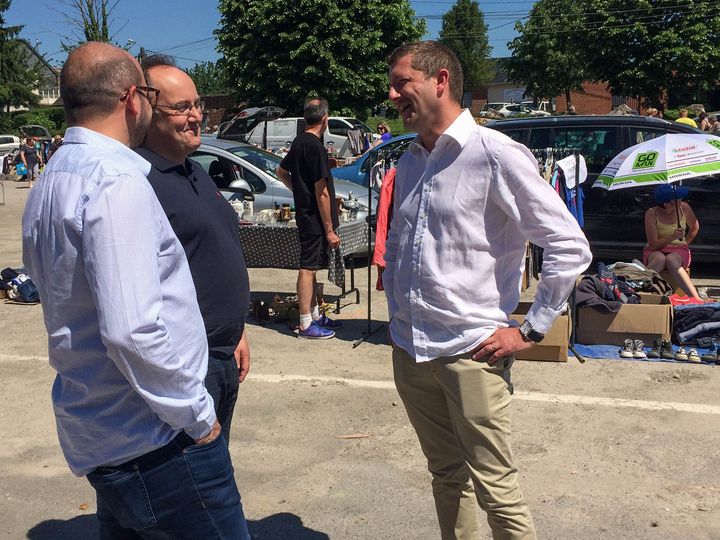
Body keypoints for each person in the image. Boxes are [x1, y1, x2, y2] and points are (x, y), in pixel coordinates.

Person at [21, 42, 250, 539]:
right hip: (157, 440)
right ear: (131, 97)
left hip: (104, 430)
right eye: (150, 94)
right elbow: (132, 330)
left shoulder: (52, 178)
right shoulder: (114, 181)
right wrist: (198, 418)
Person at [384, 41, 592, 539]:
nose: (392, 95)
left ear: (440, 81)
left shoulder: (494, 154)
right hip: (411, 348)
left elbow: (568, 245)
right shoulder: (411, 160)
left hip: (471, 351)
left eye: (401, 82)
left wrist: (532, 329)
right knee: (445, 476)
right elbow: (403, 247)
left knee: (496, 487)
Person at [136, 55, 251, 446]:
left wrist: (235, 331)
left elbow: (210, 253)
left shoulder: (193, 168)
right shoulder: (138, 182)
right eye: (181, 107)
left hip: (222, 353)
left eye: (197, 104)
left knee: (215, 471)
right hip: (186, 367)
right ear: (146, 113)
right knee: (195, 490)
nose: (197, 115)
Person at [276, 98, 343, 339]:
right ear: (324, 119)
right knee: (308, 268)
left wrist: (297, 190)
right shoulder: (314, 146)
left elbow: (280, 172)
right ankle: (305, 323)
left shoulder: (299, 142)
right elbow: (322, 191)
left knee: (313, 269)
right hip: (313, 218)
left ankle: (315, 315)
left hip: (307, 214)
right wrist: (329, 229)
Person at [643, 184, 702, 301]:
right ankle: (633, 287)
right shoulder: (651, 213)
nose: (681, 200)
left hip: (678, 249)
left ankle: (696, 299)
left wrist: (685, 243)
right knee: (659, 259)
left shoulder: (684, 208)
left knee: (671, 259)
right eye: (677, 199)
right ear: (666, 204)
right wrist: (672, 236)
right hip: (656, 249)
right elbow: (653, 244)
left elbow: (695, 228)